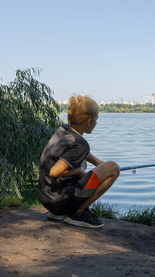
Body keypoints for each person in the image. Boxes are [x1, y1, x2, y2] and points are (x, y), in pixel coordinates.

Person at [38, 95, 120, 228]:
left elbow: (78, 152)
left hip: (47, 198)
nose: (96, 123)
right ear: (89, 121)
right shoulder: (81, 144)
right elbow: (54, 172)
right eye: (96, 119)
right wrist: (78, 171)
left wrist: (100, 164)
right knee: (114, 168)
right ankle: (79, 213)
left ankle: (60, 213)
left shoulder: (63, 130)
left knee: (84, 162)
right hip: (59, 201)